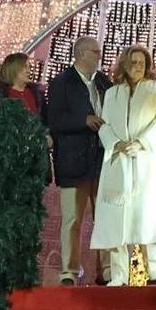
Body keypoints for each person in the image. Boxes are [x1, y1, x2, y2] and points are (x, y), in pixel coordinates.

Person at [92, 45, 156, 286]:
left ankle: (154, 272)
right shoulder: (113, 93)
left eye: (142, 62)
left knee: (145, 215)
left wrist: (141, 143)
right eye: (133, 61)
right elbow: (104, 124)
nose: (137, 66)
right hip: (118, 160)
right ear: (124, 64)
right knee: (117, 218)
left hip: (145, 160)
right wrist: (115, 143)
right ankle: (118, 275)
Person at [45, 36, 109, 285]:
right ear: (81, 54)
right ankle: (69, 271)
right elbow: (55, 121)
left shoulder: (103, 82)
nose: (99, 56)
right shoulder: (62, 83)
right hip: (73, 160)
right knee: (72, 219)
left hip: (101, 159)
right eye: (95, 52)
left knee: (105, 217)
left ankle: (106, 269)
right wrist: (83, 121)